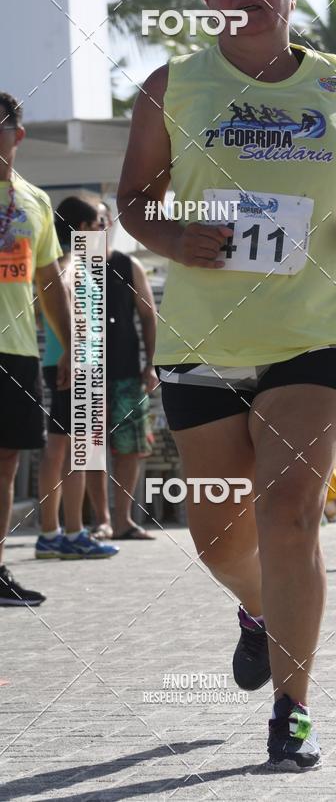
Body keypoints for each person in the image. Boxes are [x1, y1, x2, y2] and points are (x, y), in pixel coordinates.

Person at [116, 0, 336, 770]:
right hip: (206, 339)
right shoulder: (172, 86)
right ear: (208, 1)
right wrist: (173, 241)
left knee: (288, 511)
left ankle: (292, 707)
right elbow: (131, 201)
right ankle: (260, 614)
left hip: (319, 333)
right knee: (220, 539)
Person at [0, 92, 71, 606]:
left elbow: (49, 282)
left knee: (6, 464)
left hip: (18, 351)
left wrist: (70, 345)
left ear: (17, 136)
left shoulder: (34, 201)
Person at [35, 196, 119, 560]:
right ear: (83, 229)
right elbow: (65, 285)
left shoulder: (73, 263)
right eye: (100, 222)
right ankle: (70, 533)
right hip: (75, 364)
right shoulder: (74, 263)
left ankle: (54, 532)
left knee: (60, 451)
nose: (105, 228)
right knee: (78, 453)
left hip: (70, 362)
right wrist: (75, 352)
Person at [85, 201, 159, 541]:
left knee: (130, 448)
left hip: (128, 370)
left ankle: (125, 519)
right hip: (86, 372)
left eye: (101, 219)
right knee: (92, 449)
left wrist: (150, 365)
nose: (97, 225)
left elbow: (148, 316)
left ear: (109, 222)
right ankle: (102, 520)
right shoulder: (72, 266)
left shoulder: (129, 266)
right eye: (89, 221)